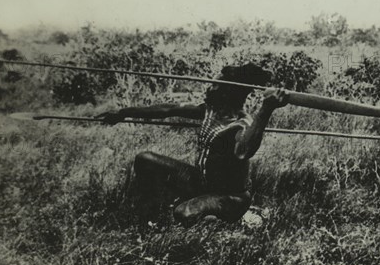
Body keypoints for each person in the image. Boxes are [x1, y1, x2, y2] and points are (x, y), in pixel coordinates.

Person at [97, 63, 288, 225]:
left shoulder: (241, 124)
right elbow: (168, 109)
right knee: (144, 159)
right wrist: (122, 113)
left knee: (184, 214)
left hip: (230, 197)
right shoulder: (209, 111)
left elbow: (245, 150)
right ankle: (152, 214)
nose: (209, 88)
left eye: (214, 85)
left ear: (227, 92)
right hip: (202, 182)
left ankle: (237, 218)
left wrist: (266, 110)